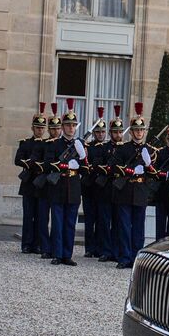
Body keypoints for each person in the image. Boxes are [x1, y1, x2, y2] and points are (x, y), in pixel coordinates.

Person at [111, 104, 153, 268]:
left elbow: (154, 174)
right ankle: (124, 257)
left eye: (141, 130)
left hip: (140, 191)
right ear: (131, 131)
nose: (139, 132)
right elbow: (114, 167)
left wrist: (149, 166)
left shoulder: (149, 150)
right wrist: (131, 171)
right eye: (136, 130)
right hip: (126, 190)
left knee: (138, 228)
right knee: (124, 227)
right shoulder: (123, 149)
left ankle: (137, 258)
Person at [46, 99, 85, 266]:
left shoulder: (80, 144)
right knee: (57, 224)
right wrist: (64, 165)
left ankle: (67, 255)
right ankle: (57, 254)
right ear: (62, 127)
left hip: (73, 189)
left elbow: (85, 167)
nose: (71, 128)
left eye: (73, 125)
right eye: (68, 125)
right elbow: (48, 164)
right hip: (58, 187)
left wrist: (80, 161)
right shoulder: (55, 144)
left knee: (70, 224)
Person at [14, 103, 45, 255]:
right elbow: (17, 160)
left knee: (40, 216)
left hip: (40, 184)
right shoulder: (26, 143)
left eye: (42, 128)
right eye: (38, 128)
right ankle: (26, 244)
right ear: (33, 128)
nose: (40, 130)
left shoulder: (47, 144)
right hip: (28, 182)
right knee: (28, 216)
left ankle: (38, 244)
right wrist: (29, 163)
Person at [82, 108, 111, 260]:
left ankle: (101, 248)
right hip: (89, 188)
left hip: (103, 190)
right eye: (98, 132)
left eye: (102, 132)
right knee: (89, 220)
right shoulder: (89, 147)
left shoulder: (108, 148)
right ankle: (89, 248)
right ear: (94, 133)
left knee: (102, 221)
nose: (100, 134)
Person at [35, 102, 62, 260]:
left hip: (58, 185)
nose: (55, 131)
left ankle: (55, 247)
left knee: (57, 220)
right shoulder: (43, 144)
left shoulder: (63, 145)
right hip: (45, 184)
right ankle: (45, 247)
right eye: (52, 128)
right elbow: (37, 161)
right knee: (43, 218)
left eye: (57, 128)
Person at [101, 106, 125, 259]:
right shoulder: (104, 148)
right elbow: (97, 164)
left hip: (121, 190)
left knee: (118, 223)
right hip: (106, 188)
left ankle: (116, 251)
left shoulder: (126, 148)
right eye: (115, 132)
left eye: (120, 132)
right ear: (110, 133)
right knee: (105, 222)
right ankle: (106, 251)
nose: (118, 134)